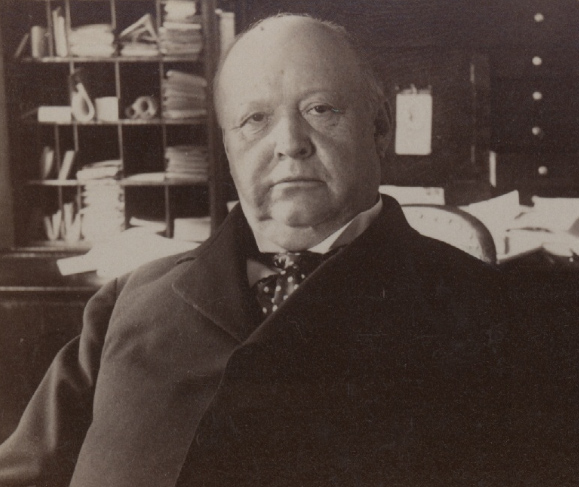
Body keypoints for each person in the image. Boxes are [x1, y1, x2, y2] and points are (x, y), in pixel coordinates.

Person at [0, 13, 575, 487]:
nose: (289, 144)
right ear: (227, 150)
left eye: (320, 110)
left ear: (379, 131)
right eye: (254, 120)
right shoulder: (128, 301)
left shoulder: (491, 313)